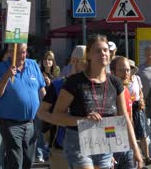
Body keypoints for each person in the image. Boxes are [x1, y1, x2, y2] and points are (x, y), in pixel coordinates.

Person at [52, 34, 143, 169]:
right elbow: (57, 115)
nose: (103, 53)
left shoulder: (115, 82)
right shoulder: (75, 82)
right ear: (88, 55)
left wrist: (135, 149)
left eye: (105, 50)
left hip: (104, 143)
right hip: (78, 143)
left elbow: (124, 118)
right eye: (98, 50)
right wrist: (83, 119)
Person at [0, 43, 46, 169]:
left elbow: (42, 91)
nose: (22, 56)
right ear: (10, 52)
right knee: (16, 158)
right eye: (19, 52)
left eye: (24, 52)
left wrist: (49, 110)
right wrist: (6, 77)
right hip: (10, 123)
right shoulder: (1, 68)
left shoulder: (33, 65)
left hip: (31, 122)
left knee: (28, 159)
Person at [37, 45, 86, 169]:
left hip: (91, 149)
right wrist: (63, 120)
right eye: (87, 62)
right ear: (74, 62)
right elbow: (42, 113)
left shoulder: (98, 85)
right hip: (61, 148)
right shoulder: (58, 85)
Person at [110, 56, 136, 169]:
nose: (126, 73)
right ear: (112, 72)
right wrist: (109, 151)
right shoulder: (108, 94)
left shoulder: (126, 90)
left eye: (128, 70)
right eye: (121, 70)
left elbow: (129, 118)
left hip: (127, 146)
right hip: (113, 148)